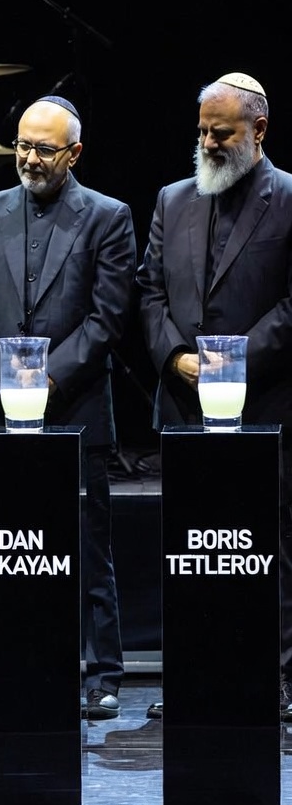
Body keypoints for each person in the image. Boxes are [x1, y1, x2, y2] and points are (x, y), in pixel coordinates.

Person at [0, 95, 137, 720]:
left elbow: (108, 316)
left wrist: (45, 378)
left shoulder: (108, 216)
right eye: (23, 146)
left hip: (75, 409)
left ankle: (102, 674)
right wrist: (5, 377)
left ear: (74, 153)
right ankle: (10, 667)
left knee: (87, 549)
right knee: (2, 550)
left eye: (44, 149)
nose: (29, 159)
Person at [135, 72, 292, 722]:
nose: (207, 142)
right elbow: (148, 292)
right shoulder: (173, 199)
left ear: (259, 130)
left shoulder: (289, 198)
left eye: (220, 133)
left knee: (268, 549)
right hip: (184, 402)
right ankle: (193, 675)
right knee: (190, 548)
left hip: (267, 406)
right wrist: (175, 354)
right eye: (201, 131)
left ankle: (277, 679)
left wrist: (234, 358)